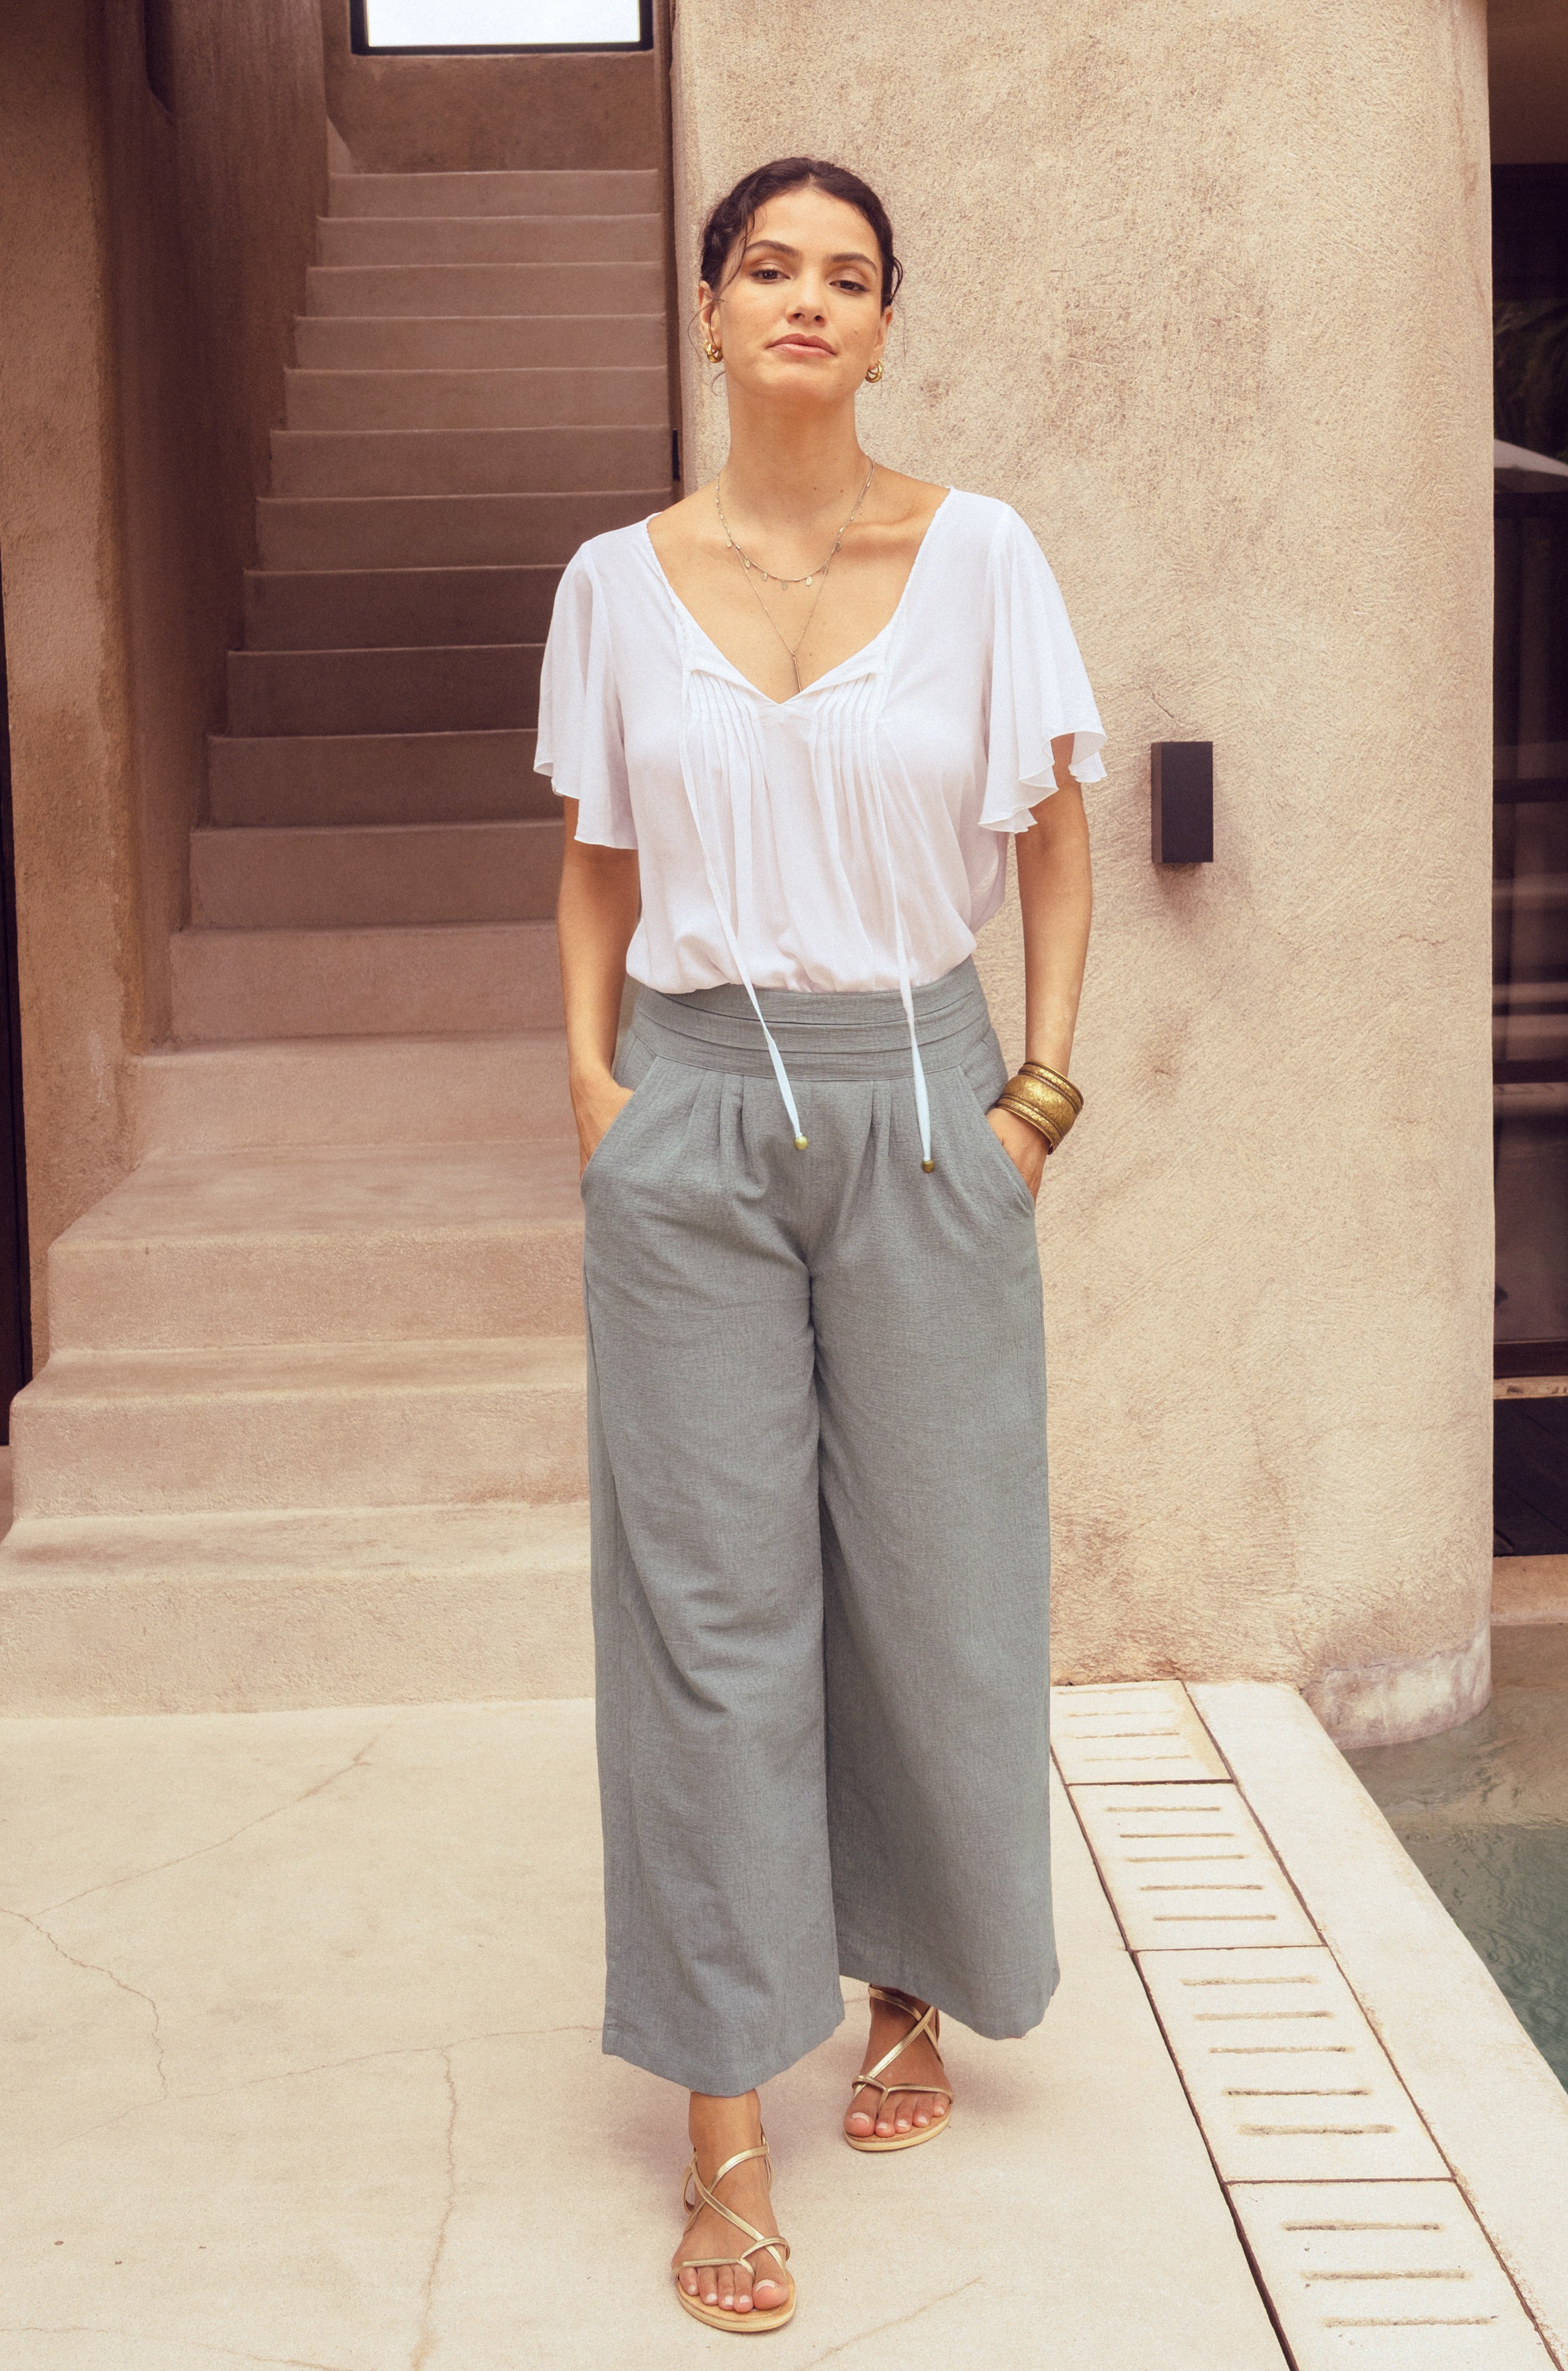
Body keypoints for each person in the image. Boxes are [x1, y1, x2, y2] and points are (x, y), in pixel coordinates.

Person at [539, 154, 1102, 2335]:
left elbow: (1052, 836)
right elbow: (595, 856)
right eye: (765, 264)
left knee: (935, 1572)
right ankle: (721, 2117)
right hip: (687, 1103)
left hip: (921, 1094)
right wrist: (593, 1094)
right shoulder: (618, 579)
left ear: (884, 327)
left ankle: (911, 1991)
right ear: (708, 312)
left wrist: (1036, 1097)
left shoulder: (978, 558)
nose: (803, 297)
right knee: (705, 1602)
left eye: (845, 274)